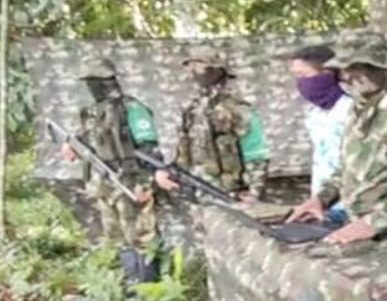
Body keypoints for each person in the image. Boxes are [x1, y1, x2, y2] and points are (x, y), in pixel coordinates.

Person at [287, 29, 387, 245]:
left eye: (356, 68)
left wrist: (373, 222)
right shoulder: (358, 108)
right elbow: (348, 168)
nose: (347, 77)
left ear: (382, 67)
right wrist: (321, 200)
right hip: (360, 228)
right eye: (342, 69)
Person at [66, 58, 162, 286]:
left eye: (94, 82)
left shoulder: (132, 108)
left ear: (107, 81)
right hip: (103, 184)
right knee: (117, 236)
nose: (90, 87)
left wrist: (147, 183)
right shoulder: (91, 112)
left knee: (141, 235)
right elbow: (84, 139)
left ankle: (148, 289)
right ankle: (132, 284)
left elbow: (149, 148)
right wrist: (70, 144)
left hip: (130, 181)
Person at [156, 53, 269, 202]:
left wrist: (254, 192)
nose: (194, 71)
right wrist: (167, 171)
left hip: (230, 196)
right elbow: (185, 152)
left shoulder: (237, 109)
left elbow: (256, 154)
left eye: (199, 66)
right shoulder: (192, 109)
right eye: (191, 66)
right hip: (196, 195)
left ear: (217, 69)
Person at [281, 44, 352, 227]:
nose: (301, 82)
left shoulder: (352, 109)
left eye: (304, 75)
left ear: (327, 73)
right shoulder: (314, 113)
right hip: (322, 202)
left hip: (352, 202)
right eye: (296, 76)